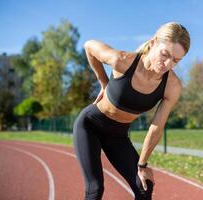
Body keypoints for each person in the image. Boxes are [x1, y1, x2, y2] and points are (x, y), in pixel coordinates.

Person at [73, 22, 190, 200]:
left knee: (144, 188)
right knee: (95, 189)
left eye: (176, 60)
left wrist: (142, 165)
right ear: (153, 43)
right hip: (90, 126)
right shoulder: (123, 61)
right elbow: (89, 46)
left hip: (118, 136)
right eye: (165, 54)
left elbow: (156, 127)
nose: (168, 64)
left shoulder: (172, 86)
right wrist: (103, 82)